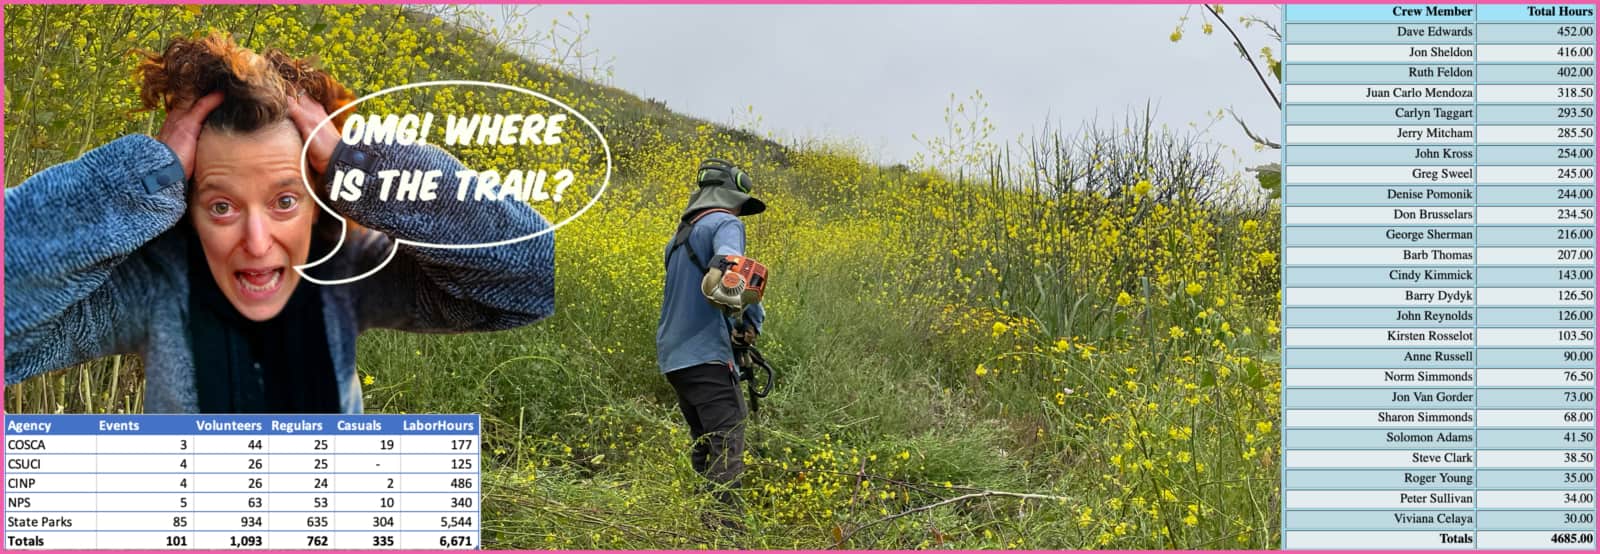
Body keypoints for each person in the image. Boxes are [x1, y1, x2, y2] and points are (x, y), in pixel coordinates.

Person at [3, 32, 556, 413]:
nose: (257, 242)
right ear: (184, 210)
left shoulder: (349, 274)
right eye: (221, 206)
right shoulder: (151, 286)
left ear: (318, 201)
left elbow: (527, 278)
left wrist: (358, 167)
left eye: (284, 202)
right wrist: (145, 175)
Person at [656, 158, 768, 522]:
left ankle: (701, 528)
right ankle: (725, 533)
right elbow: (729, 274)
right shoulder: (725, 222)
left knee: (705, 443)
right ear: (731, 196)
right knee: (727, 440)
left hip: (675, 358)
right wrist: (752, 317)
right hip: (705, 355)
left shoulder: (678, 238)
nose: (740, 212)